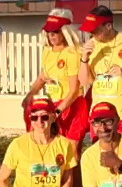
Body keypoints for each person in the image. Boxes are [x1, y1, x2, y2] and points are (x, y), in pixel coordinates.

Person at [21, 9, 89, 148]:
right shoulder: (47, 51)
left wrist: (58, 111)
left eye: (55, 31)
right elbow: (42, 78)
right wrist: (30, 95)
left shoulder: (72, 53)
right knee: (54, 147)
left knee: (72, 149)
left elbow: (74, 90)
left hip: (72, 105)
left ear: (64, 32)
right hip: (53, 105)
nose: (51, 35)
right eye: (49, 31)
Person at [78, 6, 122, 136]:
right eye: (91, 31)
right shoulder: (92, 46)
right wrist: (84, 59)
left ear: (109, 26)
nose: (93, 34)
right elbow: (84, 82)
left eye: (96, 30)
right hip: (98, 115)